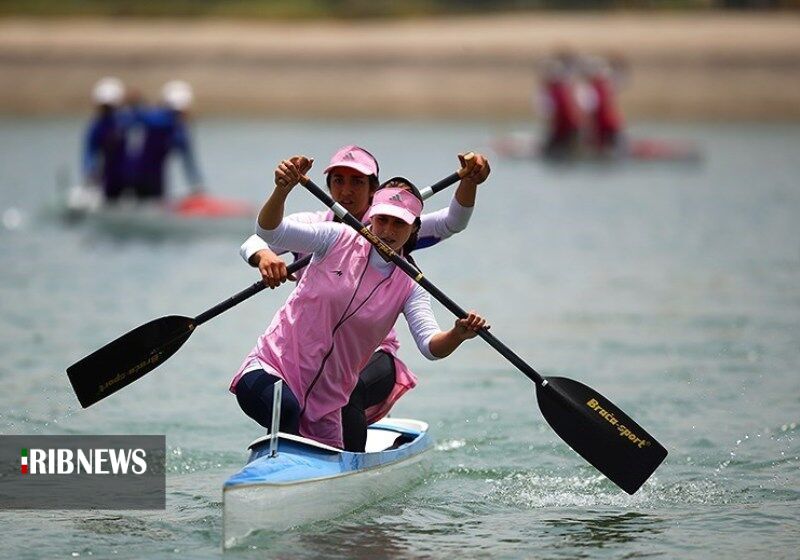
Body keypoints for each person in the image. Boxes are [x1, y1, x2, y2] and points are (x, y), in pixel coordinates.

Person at [238, 145, 490, 449]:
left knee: (347, 393)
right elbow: (266, 232)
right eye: (338, 180)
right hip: (286, 361)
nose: (346, 190)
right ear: (373, 217)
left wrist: (458, 334)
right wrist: (266, 246)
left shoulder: (410, 278)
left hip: (354, 363)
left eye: (357, 181)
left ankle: (345, 464)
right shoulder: (330, 233)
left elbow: (453, 222)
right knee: (287, 409)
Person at [128, 80, 204, 200]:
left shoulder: (156, 118)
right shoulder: (175, 128)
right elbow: (188, 162)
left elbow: (138, 115)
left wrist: (137, 103)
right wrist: (197, 185)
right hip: (149, 179)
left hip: (135, 175)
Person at [81, 77, 129, 201]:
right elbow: (89, 152)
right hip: (109, 177)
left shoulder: (127, 121)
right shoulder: (96, 127)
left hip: (132, 176)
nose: (107, 110)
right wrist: (90, 170)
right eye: (104, 106)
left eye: (109, 106)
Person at [535, 55, 581, 160]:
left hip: (564, 130)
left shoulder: (552, 92)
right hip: (572, 129)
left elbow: (550, 116)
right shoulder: (567, 88)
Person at [580, 56, 625, 157]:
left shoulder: (590, 88)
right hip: (614, 126)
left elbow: (590, 115)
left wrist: (589, 134)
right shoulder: (607, 85)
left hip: (604, 129)